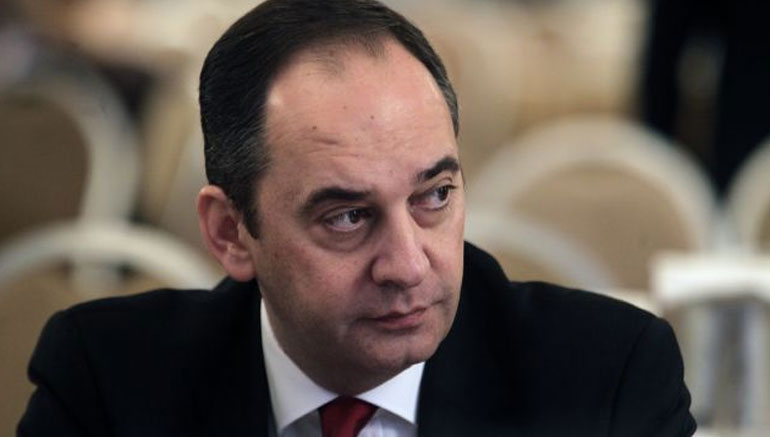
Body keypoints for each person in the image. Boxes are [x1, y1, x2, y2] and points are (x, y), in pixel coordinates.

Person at [18, 0, 697, 435]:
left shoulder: (609, 382)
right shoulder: (106, 384)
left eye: (434, 197)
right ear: (230, 232)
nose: (408, 265)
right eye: (346, 217)